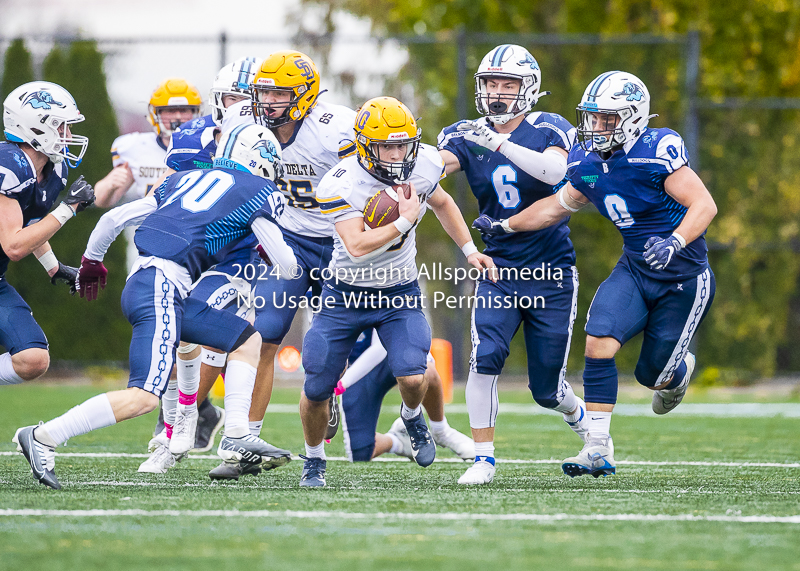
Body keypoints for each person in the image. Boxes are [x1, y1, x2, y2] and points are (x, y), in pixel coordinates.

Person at [13, 124, 297, 490]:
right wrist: (269, 253)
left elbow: (112, 218)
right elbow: (287, 265)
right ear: (261, 160)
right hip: (163, 286)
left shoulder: (187, 178)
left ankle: (237, 433)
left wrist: (92, 261)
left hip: (150, 283)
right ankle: (43, 436)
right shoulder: (259, 190)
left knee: (246, 339)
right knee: (143, 397)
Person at [473, 71, 717, 478]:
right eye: (592, 118)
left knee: (651, 376)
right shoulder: (586, 162)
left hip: (683, 277)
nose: (596, 127)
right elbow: (556, 206)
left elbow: (704, 205)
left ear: (633, 117)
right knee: (599, 338)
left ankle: (675, 373)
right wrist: (506, 226)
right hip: (636, 269)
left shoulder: (657, 149)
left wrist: (675, 241)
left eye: (607, 119)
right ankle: (598, 446)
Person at [297, 96, 496, 487]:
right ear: (363, 145)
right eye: (386, 145)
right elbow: (356, 244)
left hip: (397, 293)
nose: (397, 153)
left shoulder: (423, 164)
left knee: (412, 375)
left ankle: (410, 418)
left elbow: (442, 201)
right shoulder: (341, 182)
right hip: (345, 295)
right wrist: (405, 221)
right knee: (317, 382)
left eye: (403, 143)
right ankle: (314, 460)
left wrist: (470, 249)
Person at [437, 45, 589, 485]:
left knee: (547, 389)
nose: (497, 93)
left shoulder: (550, 127)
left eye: (508, 84)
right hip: (497, 267)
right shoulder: (465, 132)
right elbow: (435, 167)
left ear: (529, 89)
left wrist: (499, 142)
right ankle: (483, 458)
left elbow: (552, 174)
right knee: (484, 358)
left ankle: (588, 428)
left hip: (551, 271)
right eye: (490, 83)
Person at [208, 50, 359, 480]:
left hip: (337, 244)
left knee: (329, 346)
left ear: (304, 95)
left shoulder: (336, 128)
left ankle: (327, 393)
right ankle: (245, 444)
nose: (269, 101)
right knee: (262, 337)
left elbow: (371, 177)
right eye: (264, 92)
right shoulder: (247, 128)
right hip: (288, 242)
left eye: (279, 93)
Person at [138, 58, 262, 474]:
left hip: (242, 251)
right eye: (234, 98)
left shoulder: (273, 138)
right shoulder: (192, 135)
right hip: (196, 250)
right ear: (218, 100)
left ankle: (188, 422)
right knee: (182, 334)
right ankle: (186, 415)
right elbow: (169, 190)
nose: (243, 106)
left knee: (219, 331)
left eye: (250, 98)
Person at [0, 81, 95, 387]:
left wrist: (54, 266)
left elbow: (32, 224)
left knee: (33, 359)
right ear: (37, 127)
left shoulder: (51, 169)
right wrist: (68, 208)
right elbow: (14, 245)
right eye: (62, 127)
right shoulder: (9, 165)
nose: (68, 136)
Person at [93, 78, 202, 268]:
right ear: (155, 113)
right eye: (169, 110)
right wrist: (111, 185)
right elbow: (101, 200)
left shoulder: (208, 147)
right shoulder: (135, 147)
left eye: (184, 110)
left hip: (198, 242)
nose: (177, 117)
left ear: (196, 113)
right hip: (153, 244)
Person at [338, 329, 474, 462]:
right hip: (356, 366)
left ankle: (440, 430)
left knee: (424, 371)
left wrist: (342, 383)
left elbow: (379, 346)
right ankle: (398, 440)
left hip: (392, 347)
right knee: (359, 453)